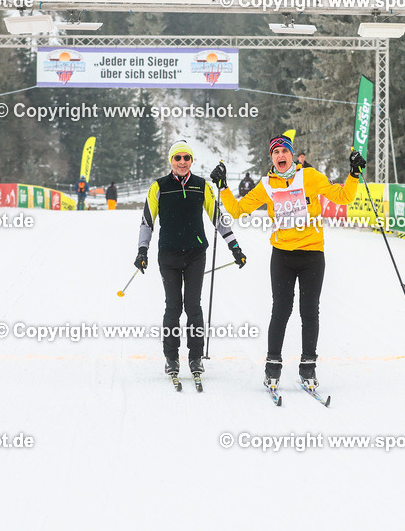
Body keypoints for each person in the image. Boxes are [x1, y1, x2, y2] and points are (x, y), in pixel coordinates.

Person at [211, 135, 364, 390]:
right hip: (282, 255)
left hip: (312, 254)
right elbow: (238, 211)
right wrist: (223, 186)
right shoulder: (266, 185)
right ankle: (272, 366)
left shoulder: (310, 177)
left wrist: (354, 173)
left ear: (292, 155)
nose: (280, 156)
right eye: (275, 152)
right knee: (280, 310)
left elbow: (344, 197)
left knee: (309, 311)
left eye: (284, 151)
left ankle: (308, 367)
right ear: (271, 158)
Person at [135, 140, 247, 380]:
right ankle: (171, 358)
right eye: (178, 158)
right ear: (171, 161)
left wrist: (234, 247)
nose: (182, 162)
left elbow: (218, 218)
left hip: (196, 254)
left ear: (192, 160)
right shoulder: (159, 187)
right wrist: (142, 251)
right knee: (173, 307)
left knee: (193, 307)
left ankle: (196, 357)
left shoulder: (202, 186)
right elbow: (147, 221)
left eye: (186, 158)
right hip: (168, 255)